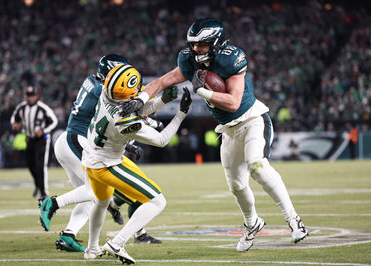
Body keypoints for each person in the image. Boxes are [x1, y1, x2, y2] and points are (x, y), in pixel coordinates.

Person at [120, 17, 308, 252]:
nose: (196, 49)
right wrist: (141, 98)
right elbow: (162, 81)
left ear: (216, 42)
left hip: (252, 120)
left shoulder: (232, 58)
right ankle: (252, 224)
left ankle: (293, 219)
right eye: (194, 44)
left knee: (258, 166)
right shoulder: (188, 59)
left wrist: (201, 91)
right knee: (236, 186)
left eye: (202, 44)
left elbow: (233, 102)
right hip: (227, 130)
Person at [39, 54, 177, 252]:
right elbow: (123, 118)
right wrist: (153, 120)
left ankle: (68, 235)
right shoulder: (104, 90)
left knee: (93, 198)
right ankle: (52, 203)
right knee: (97, 189)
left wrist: (127, 141)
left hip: (77, 139)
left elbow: (108, 124)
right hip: (79, 140)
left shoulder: (94, 83)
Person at [81, 63, 191, 264]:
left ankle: (92, 249)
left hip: (89, 157)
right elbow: (161, 140)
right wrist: (181, 114)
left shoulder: (105, 93)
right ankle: (117, 243)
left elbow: (135, 109)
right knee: (157, 201)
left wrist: (162, 100)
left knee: (102, 202)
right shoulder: (124, 118)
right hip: (108, 165)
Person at [11, 86, 58, 199]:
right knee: (30, 164)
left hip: (42, 140)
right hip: (29, 138)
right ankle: (38, 184)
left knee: (40, 165)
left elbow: (54, 121)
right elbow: (14, 118)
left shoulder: (43, 108)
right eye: (28, 95)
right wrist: (15, 124)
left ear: (36, 96)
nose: (30, 98)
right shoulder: (21, 107)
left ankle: (43, 192)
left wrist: (43, 131)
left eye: (32, 95)